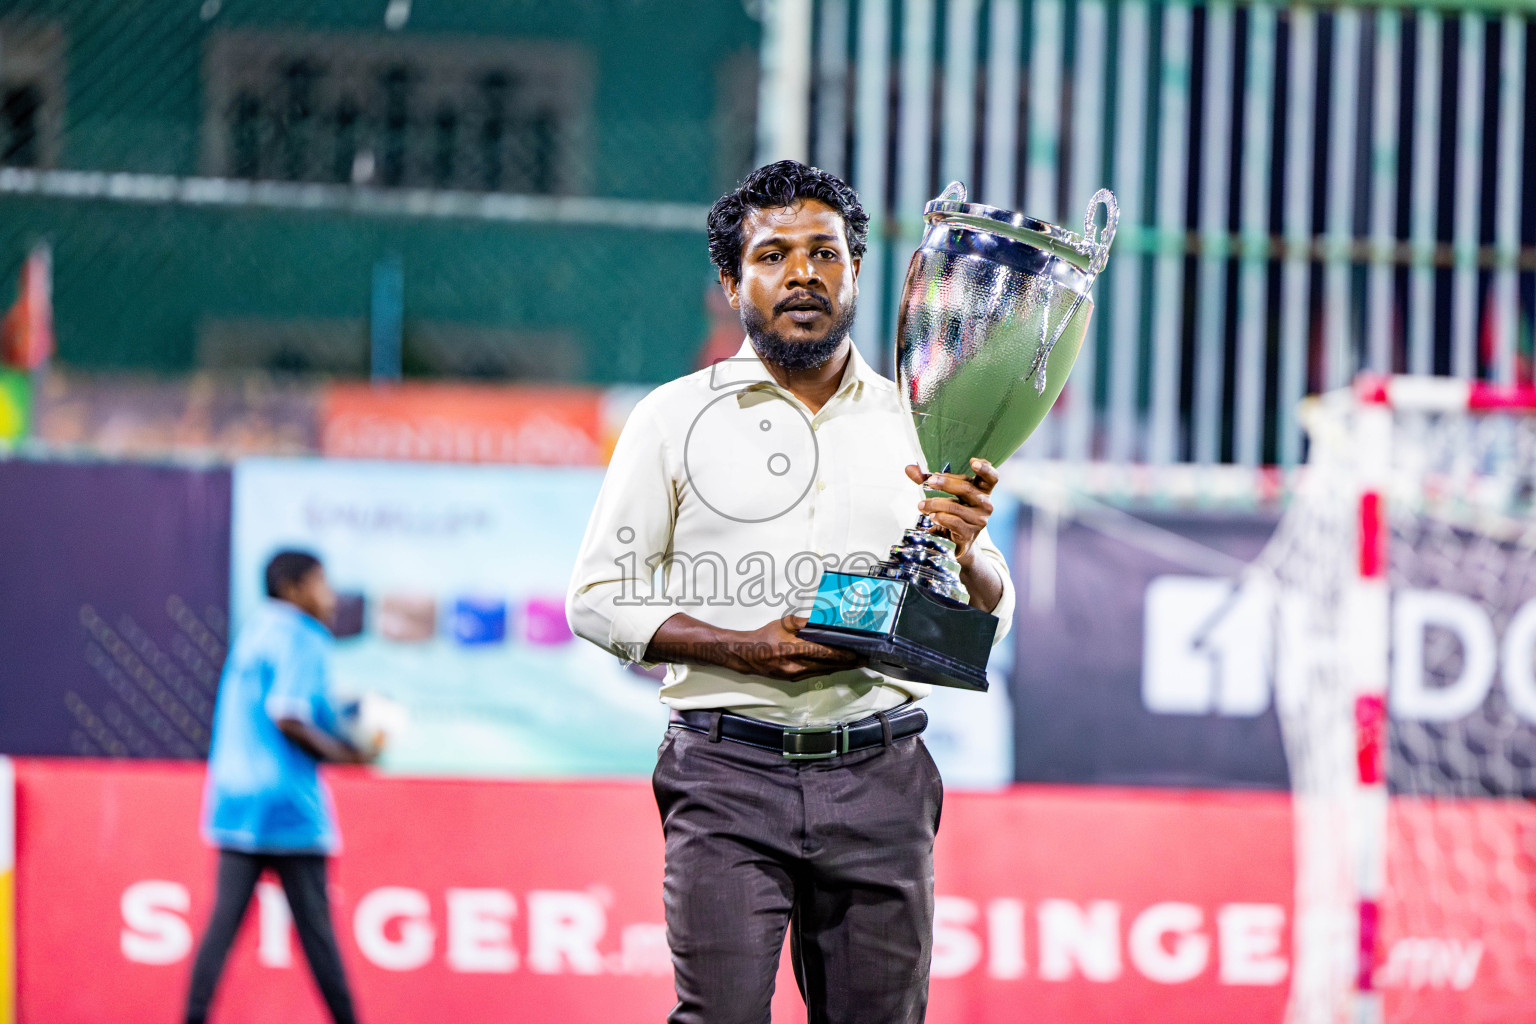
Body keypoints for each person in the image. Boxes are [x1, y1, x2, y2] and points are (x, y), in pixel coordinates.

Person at [567, 160, 1014, 1024]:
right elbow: (597, 597)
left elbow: (991, 605)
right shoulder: (671, 419)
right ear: (733, 282)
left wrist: (970, 555)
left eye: (826, 252)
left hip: (883, 773)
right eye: (773, 256)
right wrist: (747, 648)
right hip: (725, 775)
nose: (803, 273)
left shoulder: (921, 422)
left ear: (855, 271)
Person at [184, 550, 372, 1024]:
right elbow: (288, 714)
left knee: (221, 930)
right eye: (321, 584)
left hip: (235, 802)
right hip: (288, 806)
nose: (330, 597)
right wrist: (348, 754)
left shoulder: (254, 630)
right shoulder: (305, 636)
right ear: (292, 589)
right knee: (318, 938)